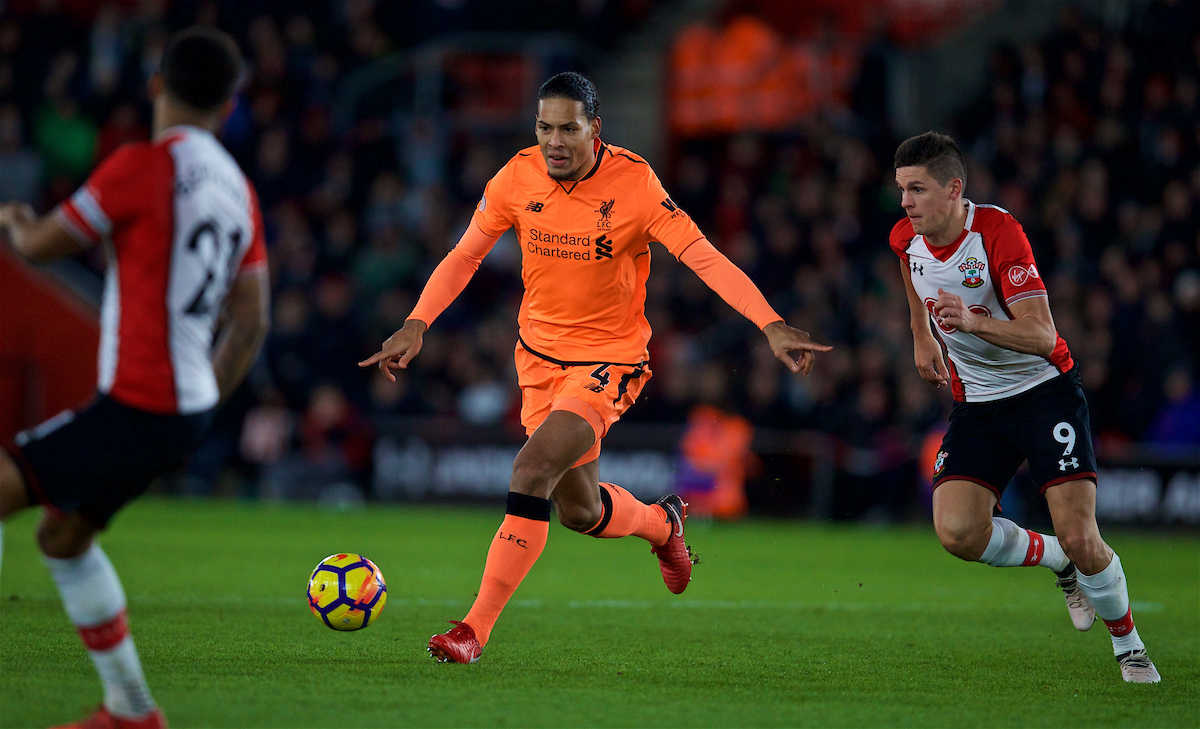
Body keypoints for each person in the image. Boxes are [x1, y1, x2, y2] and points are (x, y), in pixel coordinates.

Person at [361, 72, 830, 664]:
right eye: (544, 127)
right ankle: (663, 525)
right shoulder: (516, 175)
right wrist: (418, 321)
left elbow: (704, 258)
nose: (553, 141)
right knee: (579, 511)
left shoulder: (634, 183)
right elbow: (465, 254)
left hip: (609, 360)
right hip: (536, 359)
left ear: (594, 129)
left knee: (530, 470)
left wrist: (770, 323)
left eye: (567, 128)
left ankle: (473, 630)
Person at [0, 27, 270, 728]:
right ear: (230, 102)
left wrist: (17, 217)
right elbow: (253, 319)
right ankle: (131, 710)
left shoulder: (140, 165)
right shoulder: (238, 189)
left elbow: (38, 246)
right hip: (185, 408)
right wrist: (202, 401)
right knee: (62, 538)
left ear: (156, 86)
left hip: (138, 404)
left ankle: (131, 710)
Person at [891, 131, 1158, 683]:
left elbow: (1042, 336)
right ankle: (1056, 560)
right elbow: (909, 272)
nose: (905, 203)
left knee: (1085, 537)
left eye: (916, 189)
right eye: (901, 190)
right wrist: (921, 334)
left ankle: (1129, 645)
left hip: (1042, 392)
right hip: (979, 404)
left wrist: (970, 322)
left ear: (953, 189)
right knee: (958, 533)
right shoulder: (906, 237)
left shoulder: (996, 232)